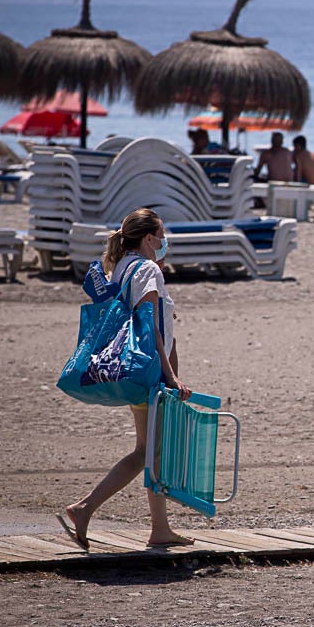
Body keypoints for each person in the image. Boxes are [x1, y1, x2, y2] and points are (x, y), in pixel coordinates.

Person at [58, 208, 193, 551]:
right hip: (148, 371)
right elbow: (149, 328)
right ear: (149, 238)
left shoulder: (122, 266)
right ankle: (86, 507)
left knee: (149, 451)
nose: (164, 242)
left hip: (133, 369)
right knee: (151, 451)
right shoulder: (147, 268)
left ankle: (156, 528)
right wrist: (172, 375)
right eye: (161, 236)